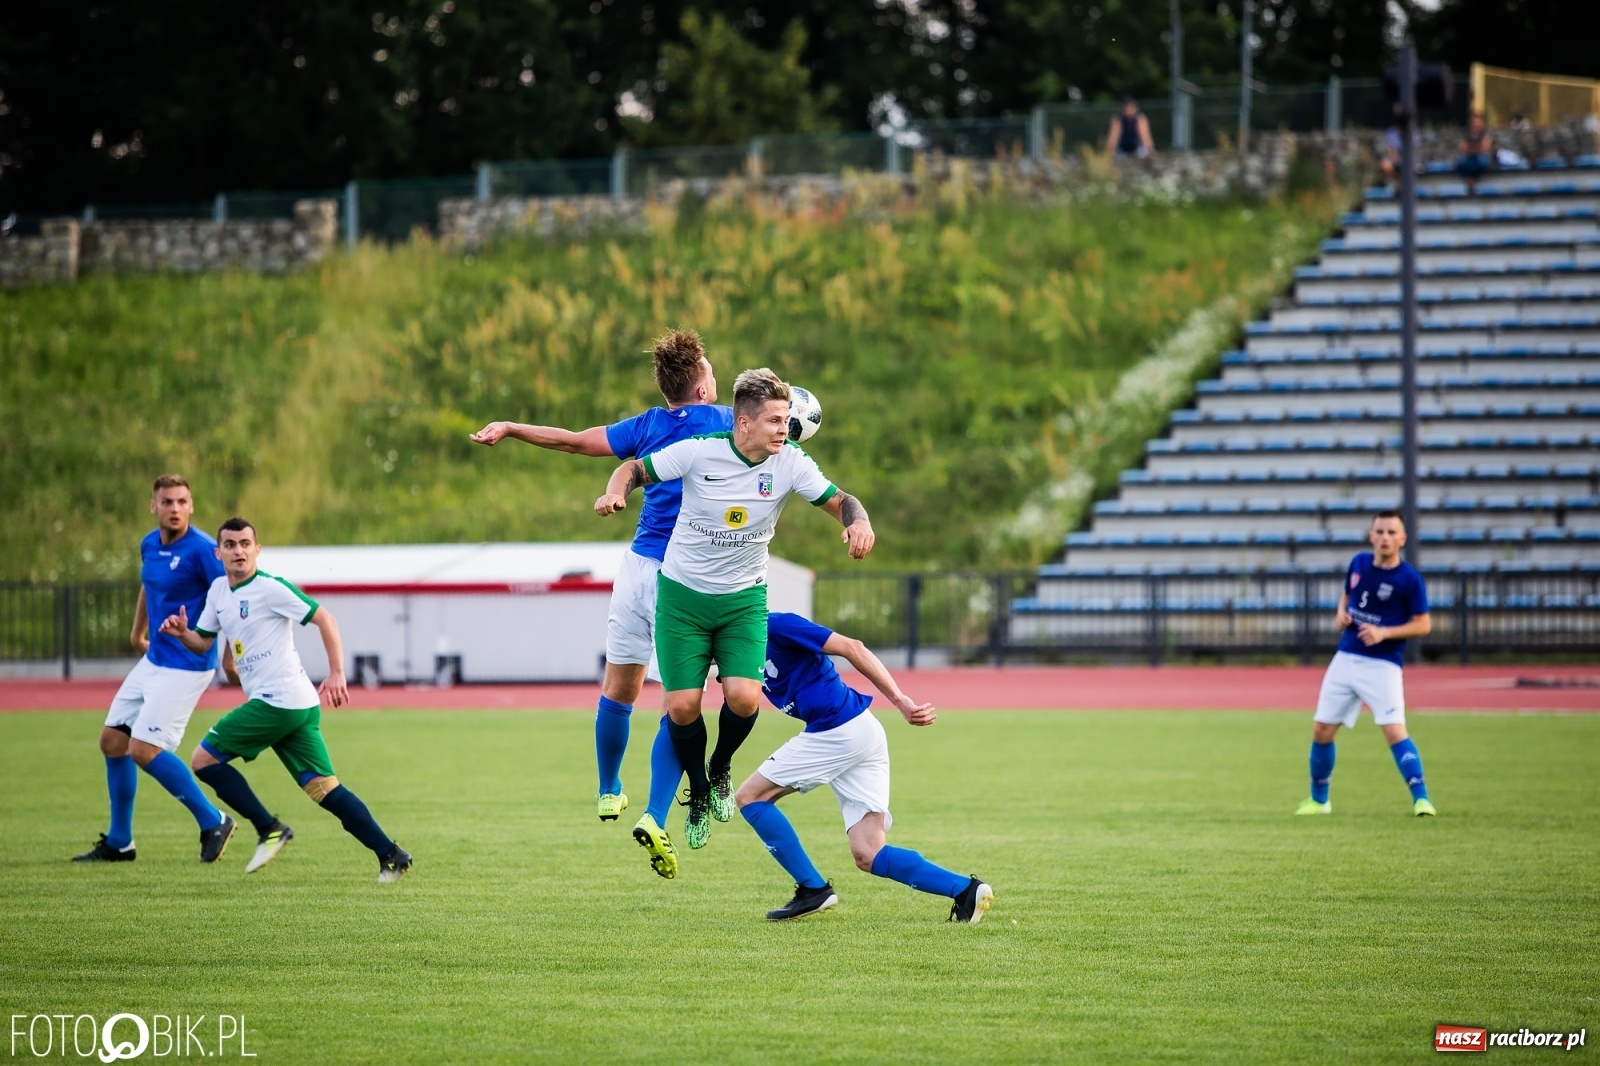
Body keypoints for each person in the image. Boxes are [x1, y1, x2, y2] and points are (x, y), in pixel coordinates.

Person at [595, 368, 873, 876]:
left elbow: (840, 499)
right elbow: (634, 469)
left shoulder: (790, 462)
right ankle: (697, 792)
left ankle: (719, 770)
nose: (783, 430)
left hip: (743, 601)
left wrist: (859, 521)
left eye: (787, 420)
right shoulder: (700, 451)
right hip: (681, 599)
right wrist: (616, 493)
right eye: (773, 420)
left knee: (744, 699)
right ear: (742, 423)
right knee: (681, 707)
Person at [471, 330, 732, 823]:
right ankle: (657, 813)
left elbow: (574, 443)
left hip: (635, 569)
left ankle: (609, 789)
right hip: (683, 576)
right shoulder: (725, 423)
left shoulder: (648, 425)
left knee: (619, 688)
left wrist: (510, 426)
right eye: (712, 372)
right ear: (702, 389)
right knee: (679, 702)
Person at [159, 517, 413, 881]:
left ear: (257, 550)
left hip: (280, 700)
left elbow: (326, 620)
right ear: (218, 553)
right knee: (325, 789)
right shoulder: (217, 592)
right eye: (230, 545)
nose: (239, 551)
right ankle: (391, 854)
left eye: (246, 543)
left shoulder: (270, 588)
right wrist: (184, 633)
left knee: (202, 760)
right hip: (293, 706)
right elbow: (204, 641)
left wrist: (337, 672)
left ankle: (269, 828)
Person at [735, 612, 994, 923]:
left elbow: (853, 647)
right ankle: (965, 890)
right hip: (860, 731)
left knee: (750, 797)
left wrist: (900, 701)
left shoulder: (776, 625)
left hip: (836, 729)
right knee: (868, 853)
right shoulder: (731, 643)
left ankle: (812, 889)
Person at [73, 475, 238, 865]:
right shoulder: (149, 544)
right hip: (154, 660)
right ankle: (119, 842)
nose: (175, 508)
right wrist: (137, 631)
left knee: (143, 749)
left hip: (188, 664)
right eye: (167, 502)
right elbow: (149, 584)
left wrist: (228, 657)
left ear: (191, 506)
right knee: (112, 742)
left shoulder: (202, 550)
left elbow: (229, 598)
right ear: (154, 506)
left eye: (182, 501)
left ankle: (214, 820)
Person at [1297, 510, 1436, 818]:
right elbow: (1347, 596)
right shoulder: (1359, 563)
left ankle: (1421, 799)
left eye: (1391, 532)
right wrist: (1340, 614)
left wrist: (1384, 632)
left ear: (1402, 539)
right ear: (1371, 536)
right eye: (1380, 531)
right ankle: (1320, 801)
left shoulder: (1409, 579)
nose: (1385, 537)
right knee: (1321, 729)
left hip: (1382, 664)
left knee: (1393, 730)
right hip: (1346, 657)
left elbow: (1423, 625)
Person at [1455, 112, 1493, 195]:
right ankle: (1470, 180)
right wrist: (1475, 149)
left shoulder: (1485, 133)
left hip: (1479, 158)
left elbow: (1484, 147)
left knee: (1482, 162)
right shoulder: (1466, 133)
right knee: (1461, 162)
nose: (1475, 123)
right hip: (1468, 158)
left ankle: (1472, 180)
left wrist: (1471, 149)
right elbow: (1462, 147)